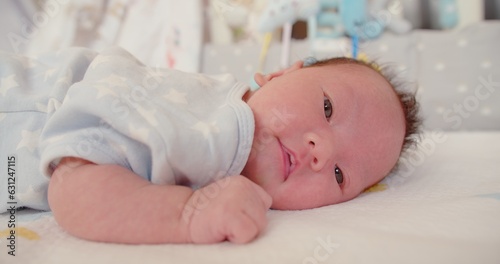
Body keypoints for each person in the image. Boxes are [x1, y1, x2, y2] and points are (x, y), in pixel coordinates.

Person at [0, 47, 420, 244]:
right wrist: (187, 215)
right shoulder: (216, 123)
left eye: (340, 174)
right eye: (327, 107)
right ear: (277, 76)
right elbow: (74, 186)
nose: (321, 151)